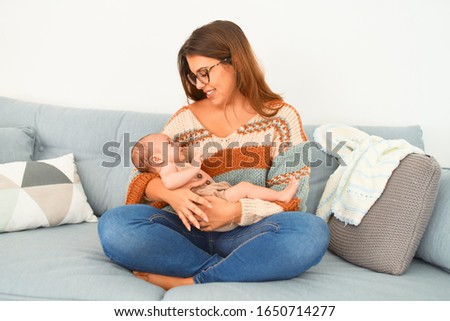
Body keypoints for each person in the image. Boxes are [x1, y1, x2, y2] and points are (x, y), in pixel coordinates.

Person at [98, 20, 329, 291]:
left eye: (205, 72)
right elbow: (140, 178)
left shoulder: (281, 118)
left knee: (310, 232)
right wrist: (172, 194)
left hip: (248, 234)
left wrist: (233, 211)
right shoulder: (184, 122)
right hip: (186, 231)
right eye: (195, 76)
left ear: (235, 61)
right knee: (115, 225)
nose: (200, 83)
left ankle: (193, 279)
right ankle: (237, 269)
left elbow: (293, 201)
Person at [130, 132, 299, 231]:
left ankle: (277, 200)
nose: (176, 144)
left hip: (217, 197)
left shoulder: (177, 164)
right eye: (169, 143)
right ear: (157, 158)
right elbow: (168, 183)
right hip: (208, 199)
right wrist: (194, 168)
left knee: (306, 227)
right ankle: (280, 196)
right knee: (244, 188)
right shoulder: (167, 168)